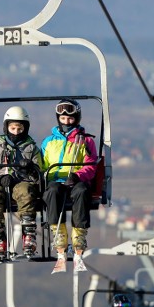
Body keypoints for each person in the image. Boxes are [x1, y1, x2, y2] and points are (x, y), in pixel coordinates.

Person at [40, 99, 99, 274]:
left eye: (70, 119)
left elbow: (91, 165)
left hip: (76, 181)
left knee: (81, 191)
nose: (66, 122)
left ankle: (79, 237)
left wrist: (77, 175)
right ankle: (59, 237)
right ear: (58, 118)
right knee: (52, 192)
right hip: (55, 180)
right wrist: (44, 176)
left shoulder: (86, 141)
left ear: (77, 118)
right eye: (63, 119)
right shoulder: (48, 142)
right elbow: (42, 165)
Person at [0, 106, 42, 263]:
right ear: (6, 127)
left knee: (26, 192)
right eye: (13, 128)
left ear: (25, 128)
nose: (16, 132)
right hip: (1, 183)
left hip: (22, 182)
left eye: (20, 128)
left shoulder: (31, 149)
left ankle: (28, 235)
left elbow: (39, 174)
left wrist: (29, 168)